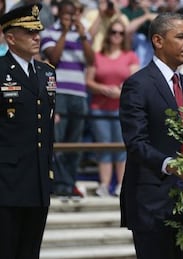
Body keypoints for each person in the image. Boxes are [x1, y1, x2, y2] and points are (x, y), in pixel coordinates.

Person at [119, 12, 183, 259]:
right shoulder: (139, 84)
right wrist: (171, 166)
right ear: (158, 40)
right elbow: (135, 142)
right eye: (181, 36)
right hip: (151, 203)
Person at [0, 3, 56, 258]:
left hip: (38, 181)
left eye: (37, 32)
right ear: (10, 38)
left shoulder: (47, 73)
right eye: (28, 33)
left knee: (30, 251)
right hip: (6, 182)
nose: (36, 37)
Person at [40, 0, 94, 200]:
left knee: (75, 142)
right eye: (65, 14)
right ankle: (58, 183)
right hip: (59, 93)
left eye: (72, 15)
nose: (69, 18)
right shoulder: (49, 33)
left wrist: (81, 36)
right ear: (59, 14)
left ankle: (69, 183)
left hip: (79, 94)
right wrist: (64, 32)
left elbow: (91, 60)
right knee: (58, 141)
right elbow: (54, 58)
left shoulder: (83, 34)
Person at [86, 19, 139, 197]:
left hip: (122, 107)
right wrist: (102, 89)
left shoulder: (130, 55)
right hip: (99, 107)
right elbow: (88, 80)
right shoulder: (97, 55)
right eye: (114, 32)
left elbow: (135, 80)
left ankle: (121, 185)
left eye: (121, 33)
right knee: (103, 146)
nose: (117, 36)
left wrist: (121, 90)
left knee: (121, 145)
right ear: (108, 34)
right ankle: (105, 183)